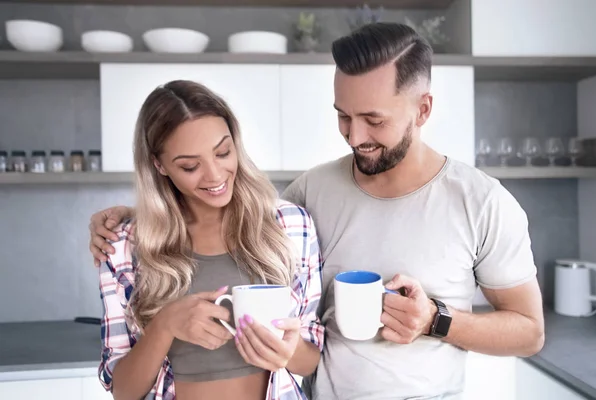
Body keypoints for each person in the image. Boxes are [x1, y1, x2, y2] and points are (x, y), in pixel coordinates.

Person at [89, 23, 545, 400]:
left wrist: (437, 321)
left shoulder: (482, 202)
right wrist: (132, 215)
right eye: (343, 115)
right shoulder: (312, 192)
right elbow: (229, 209)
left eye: (374, 119)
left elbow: (529, 332)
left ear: (422, 109)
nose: (354, 134)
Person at [95, 79, 324, 400]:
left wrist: (287, 352)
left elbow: (312, 359)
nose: (215, 175)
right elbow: (123, 391)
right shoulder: (122, 245)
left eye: (223, 152)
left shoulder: (290, 225)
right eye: (190, 166)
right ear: (159, 165)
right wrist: (165, 325)